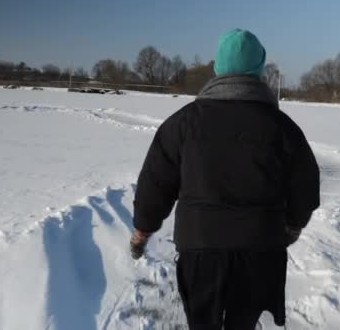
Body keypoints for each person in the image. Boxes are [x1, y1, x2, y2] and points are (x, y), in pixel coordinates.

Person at [130, 28, 320, 330]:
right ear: (259, 71)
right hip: (260, 250)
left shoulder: (183, 123)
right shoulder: (281, 127)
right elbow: (305, 185)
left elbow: (156, 182)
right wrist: (293, 224)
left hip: (201, 251)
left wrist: (142, 229)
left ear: (217, 69)